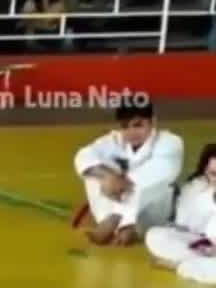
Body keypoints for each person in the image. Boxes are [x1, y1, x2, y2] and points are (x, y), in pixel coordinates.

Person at [74, 102, 184, 246]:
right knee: (94, 173)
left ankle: (118, 222)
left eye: (138, 125)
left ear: (153, 122)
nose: (131, 132)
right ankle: (120, 227)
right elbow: (84, 155)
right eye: (125, 126)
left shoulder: (170, 141)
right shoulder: (115, 140)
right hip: (113, 205)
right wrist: (107, 176)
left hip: (153, 212)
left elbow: (163, 170)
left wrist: (121, 182)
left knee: (151, 183)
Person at [144, 143, 216, 285]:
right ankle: (197, 263)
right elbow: (183, 224)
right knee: (155, 235)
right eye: (214, 174)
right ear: (206, 171)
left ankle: (180, 265)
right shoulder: (195, 188)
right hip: (202, 245)